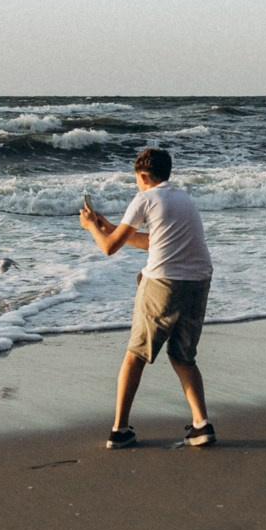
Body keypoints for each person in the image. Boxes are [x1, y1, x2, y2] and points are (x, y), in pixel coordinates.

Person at [79, 146, 215, 449]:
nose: (137, 185)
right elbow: (153, 242)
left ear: (142, 175)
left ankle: (120, 429)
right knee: (183, 356)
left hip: (164, 284)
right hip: (198, 281)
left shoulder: (145, 198)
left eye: (136, 180)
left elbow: (108, 248)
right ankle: (201, 425)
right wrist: (111, 227)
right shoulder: (183, 199)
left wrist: (91, 227)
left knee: (136, 355)